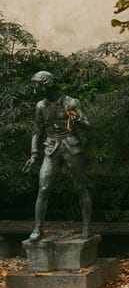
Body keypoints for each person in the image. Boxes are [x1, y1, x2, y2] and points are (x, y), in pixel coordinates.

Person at [23, 71, 92, 241]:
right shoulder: (40, 106)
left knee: (80, 187)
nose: (35, 89)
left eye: (38, 85)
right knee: (44, 187)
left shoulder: (71, 102)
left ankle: (86, 227)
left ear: (48, 84)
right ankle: (38, 229)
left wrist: (79, 121)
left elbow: (88, 125)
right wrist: (34, 153)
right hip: (51, 147)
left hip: (71, 145)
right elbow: (37, 130)